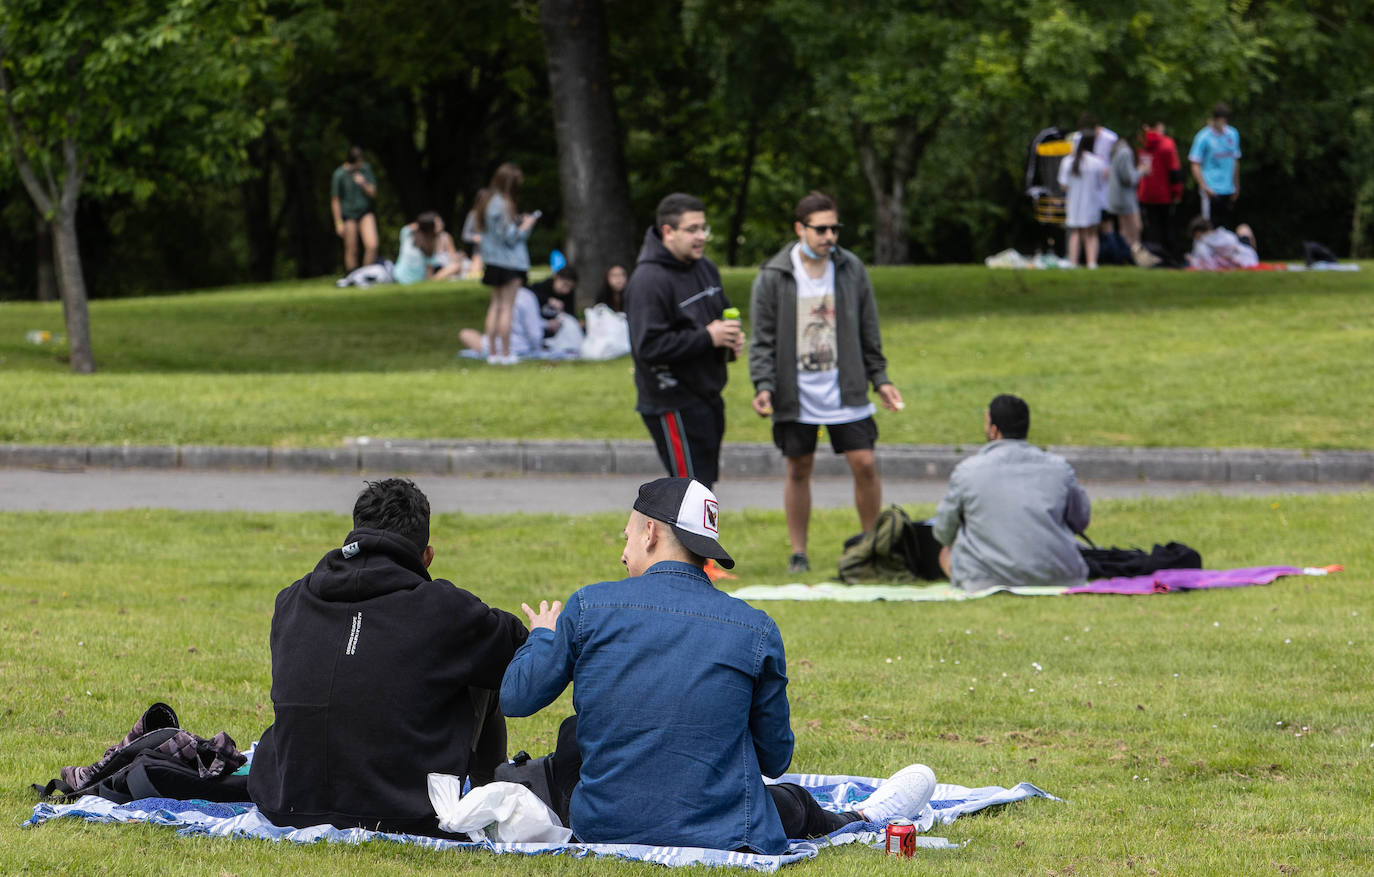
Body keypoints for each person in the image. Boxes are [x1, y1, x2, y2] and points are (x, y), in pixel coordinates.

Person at [500, 477, 937, 852]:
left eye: (626, 537)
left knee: (578, 737)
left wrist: (543, 634)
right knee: (791, 804)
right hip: (724, 828)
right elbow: (774, 757)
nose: (623, 551)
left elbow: (517, 697)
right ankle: (859, 816)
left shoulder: (589, 605)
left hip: (603, 824)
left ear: (650, 532)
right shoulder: (755, 627)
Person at [249, 478, 529, 838]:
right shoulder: (446, 611)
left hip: (287, 803)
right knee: (480, 663)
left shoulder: (290, 600)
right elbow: (518, 649)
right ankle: (486, 794)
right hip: (405, 813)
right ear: (427, 556)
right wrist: (545, 630)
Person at [748, 191, 903, 574]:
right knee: (798, 467)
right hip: (795, 392)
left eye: (834, 228)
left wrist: (880, 379)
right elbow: (762, 339)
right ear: (800, 229)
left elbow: (869, 329)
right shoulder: (774, 275)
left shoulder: (851, 269)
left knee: (865, 462)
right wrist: (763, 385)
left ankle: (871, 546)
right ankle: (799, 552)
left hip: (845, 387)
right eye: (821, 229)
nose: (829, 235)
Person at [626, 193, 742, 488]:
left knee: (703, 488)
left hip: (707, 394)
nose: (701, 236)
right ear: (668, 232)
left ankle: (700, 536)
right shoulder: (648, 280)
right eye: (692, 230)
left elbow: (717, 319)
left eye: (704, 228)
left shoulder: (704, 267)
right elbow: (648, 346)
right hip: (672, 402)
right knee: (689, 493)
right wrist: (708, 337)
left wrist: (729, 339)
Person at [932, 395, 1091, 592]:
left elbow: (943, 531)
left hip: (985, 579)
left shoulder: (968, 471)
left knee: (946, 553)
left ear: (994, 429)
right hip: (1060, 575)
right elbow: (1080, 519)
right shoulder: (1059, 468)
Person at [475, 164, 540, 365]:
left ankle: (492, 353)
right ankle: (505, 354)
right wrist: (527, 226)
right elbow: (510, 237)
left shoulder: (487, 202)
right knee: (507, 308)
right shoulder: (503, 204)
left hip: (493, 261)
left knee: (494, 306)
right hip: (510, 263)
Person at [458, 285, 575, 358]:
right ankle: (501, 353)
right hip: (519, 346)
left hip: (502, 344)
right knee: (466, 334)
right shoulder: (526, 296)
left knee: (466, 334)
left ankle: (495, 354)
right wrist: (537, 347)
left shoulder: (499, 292)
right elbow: (534, 333)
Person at [1057, 131, 1110, 268]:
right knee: (1091, 234)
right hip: (1092, 202)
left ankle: (1073, 261)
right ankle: (1092, 262)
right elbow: (1100, 184)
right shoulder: (1097, 162)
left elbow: (1063, 185)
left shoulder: (1068, 161)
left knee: (1075, 233)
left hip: (1074, 202)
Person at [1189, 102, 1241, 230]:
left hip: (1228, 189)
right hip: (1211, 190)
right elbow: (1195, 163)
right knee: (1209, 227)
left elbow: (1235, 161)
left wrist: (1236, 185)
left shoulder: (1233, 134)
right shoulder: (1203, 137)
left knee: (1225, 229)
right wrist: (1204, 187)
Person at [1137, 121, 1184, 255]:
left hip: (1145, 193)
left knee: (1151, 227)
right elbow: (1174, 171)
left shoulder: (1140, 142)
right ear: (1158, 126)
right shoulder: (1167, 144)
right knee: (1167, 226)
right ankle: (1168, 256)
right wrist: (1177, 193)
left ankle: (1153, 255)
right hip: (1165, 194)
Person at [330, 145, 379, 272]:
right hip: (348, 215)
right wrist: (338, 222)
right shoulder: (339, 174)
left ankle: (366, 275)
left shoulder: (365, 170)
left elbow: (373, 192)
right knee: (352, 249)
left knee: (372, 245)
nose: (361, 163)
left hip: (365, 212)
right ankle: (353, 276)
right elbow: (335, 200)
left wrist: (363, 183)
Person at [393, 211, 465, 285]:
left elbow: (413, 226)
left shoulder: (407, 234)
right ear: (431, 227)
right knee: (454, 267)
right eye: (437, 224)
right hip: (415, 281)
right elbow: (429, 277)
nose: (440, 226)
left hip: (398, 276)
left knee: (454, 266)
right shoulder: (428, 246)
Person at [1107, 137, 1150, 250]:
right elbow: (1128, 178)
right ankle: (1133, 255)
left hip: (1117, 197)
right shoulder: (1125, 152)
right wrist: (1141, 171)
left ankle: (1127, 255)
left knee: (1125, 229)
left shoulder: (1116, 150)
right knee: (1135, 228)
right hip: (1125, 198)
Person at [1186, 217, 1258, 270]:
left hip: (1240, 255)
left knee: (1243, 229)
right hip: (1245, 251)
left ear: (1198, 232)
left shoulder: (1203, 241)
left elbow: (1207, 263)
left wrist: (1192, 260)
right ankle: (1254, 251)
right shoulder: (1219, 234)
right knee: (1244, 229)